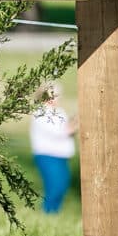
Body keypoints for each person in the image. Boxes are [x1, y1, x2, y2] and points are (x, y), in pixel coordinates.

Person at [30, 83, 78, 214]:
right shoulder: (40, 112)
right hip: (48, 155)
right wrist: (74, 125)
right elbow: (59, 131)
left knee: (62, 185)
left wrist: (73, 125)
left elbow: (66, 129)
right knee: (54, 186)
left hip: (61, 156)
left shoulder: (59, 112)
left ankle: (55, 212)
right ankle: (47, 212)